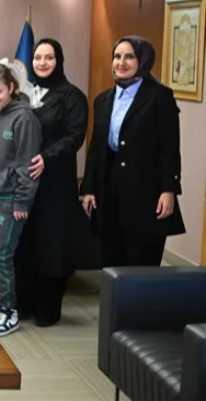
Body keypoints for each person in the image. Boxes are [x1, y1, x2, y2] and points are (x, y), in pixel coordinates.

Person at [81, 36, 185, 268]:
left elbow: (169, 148)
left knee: (141, 263)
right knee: (110, 260)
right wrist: (88, 188)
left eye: (129, 57)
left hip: (146, 191)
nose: (121, 62)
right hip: (109, 190)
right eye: (117, 56)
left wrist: (168, 189)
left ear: (143, 60)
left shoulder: (160, 97)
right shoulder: (102, 100)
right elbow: (96, 148)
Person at [13, 39, 88, 328]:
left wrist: (47, 157)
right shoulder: (25, 94)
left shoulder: (72, 96)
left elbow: (75, 137)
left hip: (55, 183)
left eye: (49, 57)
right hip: (26, 183)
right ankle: (24, 303)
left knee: (51, 244)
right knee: (26, 242)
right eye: (38, 58)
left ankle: (48, 308)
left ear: (59, 61)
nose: (42, 63)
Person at [0, 62, 42, 337]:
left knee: (2, 254)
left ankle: (9, 311)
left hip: (13, 199)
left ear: (11, 88)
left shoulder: (24, 118)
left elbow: (27, 164)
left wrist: (23, 201)